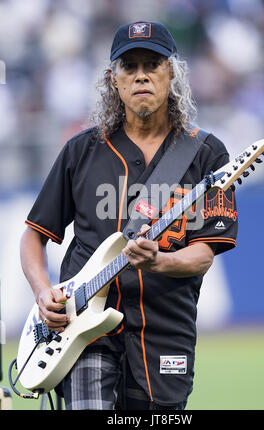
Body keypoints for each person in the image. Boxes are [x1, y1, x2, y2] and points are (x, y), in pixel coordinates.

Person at [20, 21, 238, 410]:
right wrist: (42, 293)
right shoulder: (81, 151)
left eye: (152, 64)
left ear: (172, 73)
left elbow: (205, 253)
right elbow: (34, 235)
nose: (141, 75)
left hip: (165, 328)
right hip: (85, 332)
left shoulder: (208, 155)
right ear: (113, 79)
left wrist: (160, 261)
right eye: (129, 66)